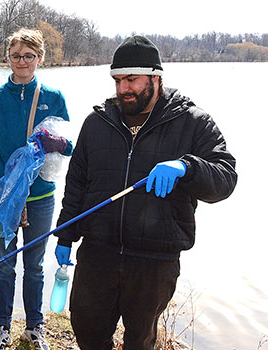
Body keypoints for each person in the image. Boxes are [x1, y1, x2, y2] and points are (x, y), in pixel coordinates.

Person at [54, 35, 237, 350]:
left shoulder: (193, 122)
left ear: (156, 77)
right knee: (87, 334)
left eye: (131, 79)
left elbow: (225, 178)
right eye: (117, 80)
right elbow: (77, 184)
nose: (123, 88)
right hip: (97, 255)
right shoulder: (96, 122)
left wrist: (187, 167)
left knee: (140, 342)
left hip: (155, 262)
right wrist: (66, 236)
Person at [0, 28, 73, 350]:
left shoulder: (54, 97)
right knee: (4, 266)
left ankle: (35, 327)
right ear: (8, 58)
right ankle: (1, 327)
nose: (22, 62)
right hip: (3, 198)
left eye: (29, 56)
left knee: (34, 266)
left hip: (41, 196)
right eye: (16, 56)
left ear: (39, 58)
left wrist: (60, 142)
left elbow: (70, 147)